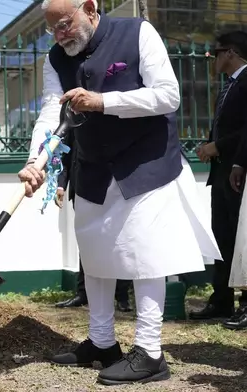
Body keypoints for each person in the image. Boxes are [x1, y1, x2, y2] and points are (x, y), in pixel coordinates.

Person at [17, 0, 222, 385]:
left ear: (90, 8)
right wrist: (36, 162)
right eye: (53, 30)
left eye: (65, 24)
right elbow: (51, 113)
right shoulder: (55, 59)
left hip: (147, 163)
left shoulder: (139, 32)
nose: (60, 36)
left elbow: (168, 96)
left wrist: (103, 102)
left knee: (145, 254)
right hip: (94, 168)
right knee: (94, 254)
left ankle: (150, 352)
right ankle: (101, 342)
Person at [192, 31, 247, 327]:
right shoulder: (229, 86)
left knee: (243, 241)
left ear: (232, 52)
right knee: (222, 238)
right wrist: (211, 147)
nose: (212, 58)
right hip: (222, 172)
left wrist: (220, 146)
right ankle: (221, 299)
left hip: (240, 173)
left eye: (216, 52)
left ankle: (245, 303)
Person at [53, 127, 132, 312]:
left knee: (119, 240)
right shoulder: (75, 115)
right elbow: (66, 151)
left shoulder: (107, 109)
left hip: (111, 187)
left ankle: (122, 295)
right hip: (80, 189)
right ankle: (83, 293)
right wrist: (61, 185)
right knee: (87, 240)